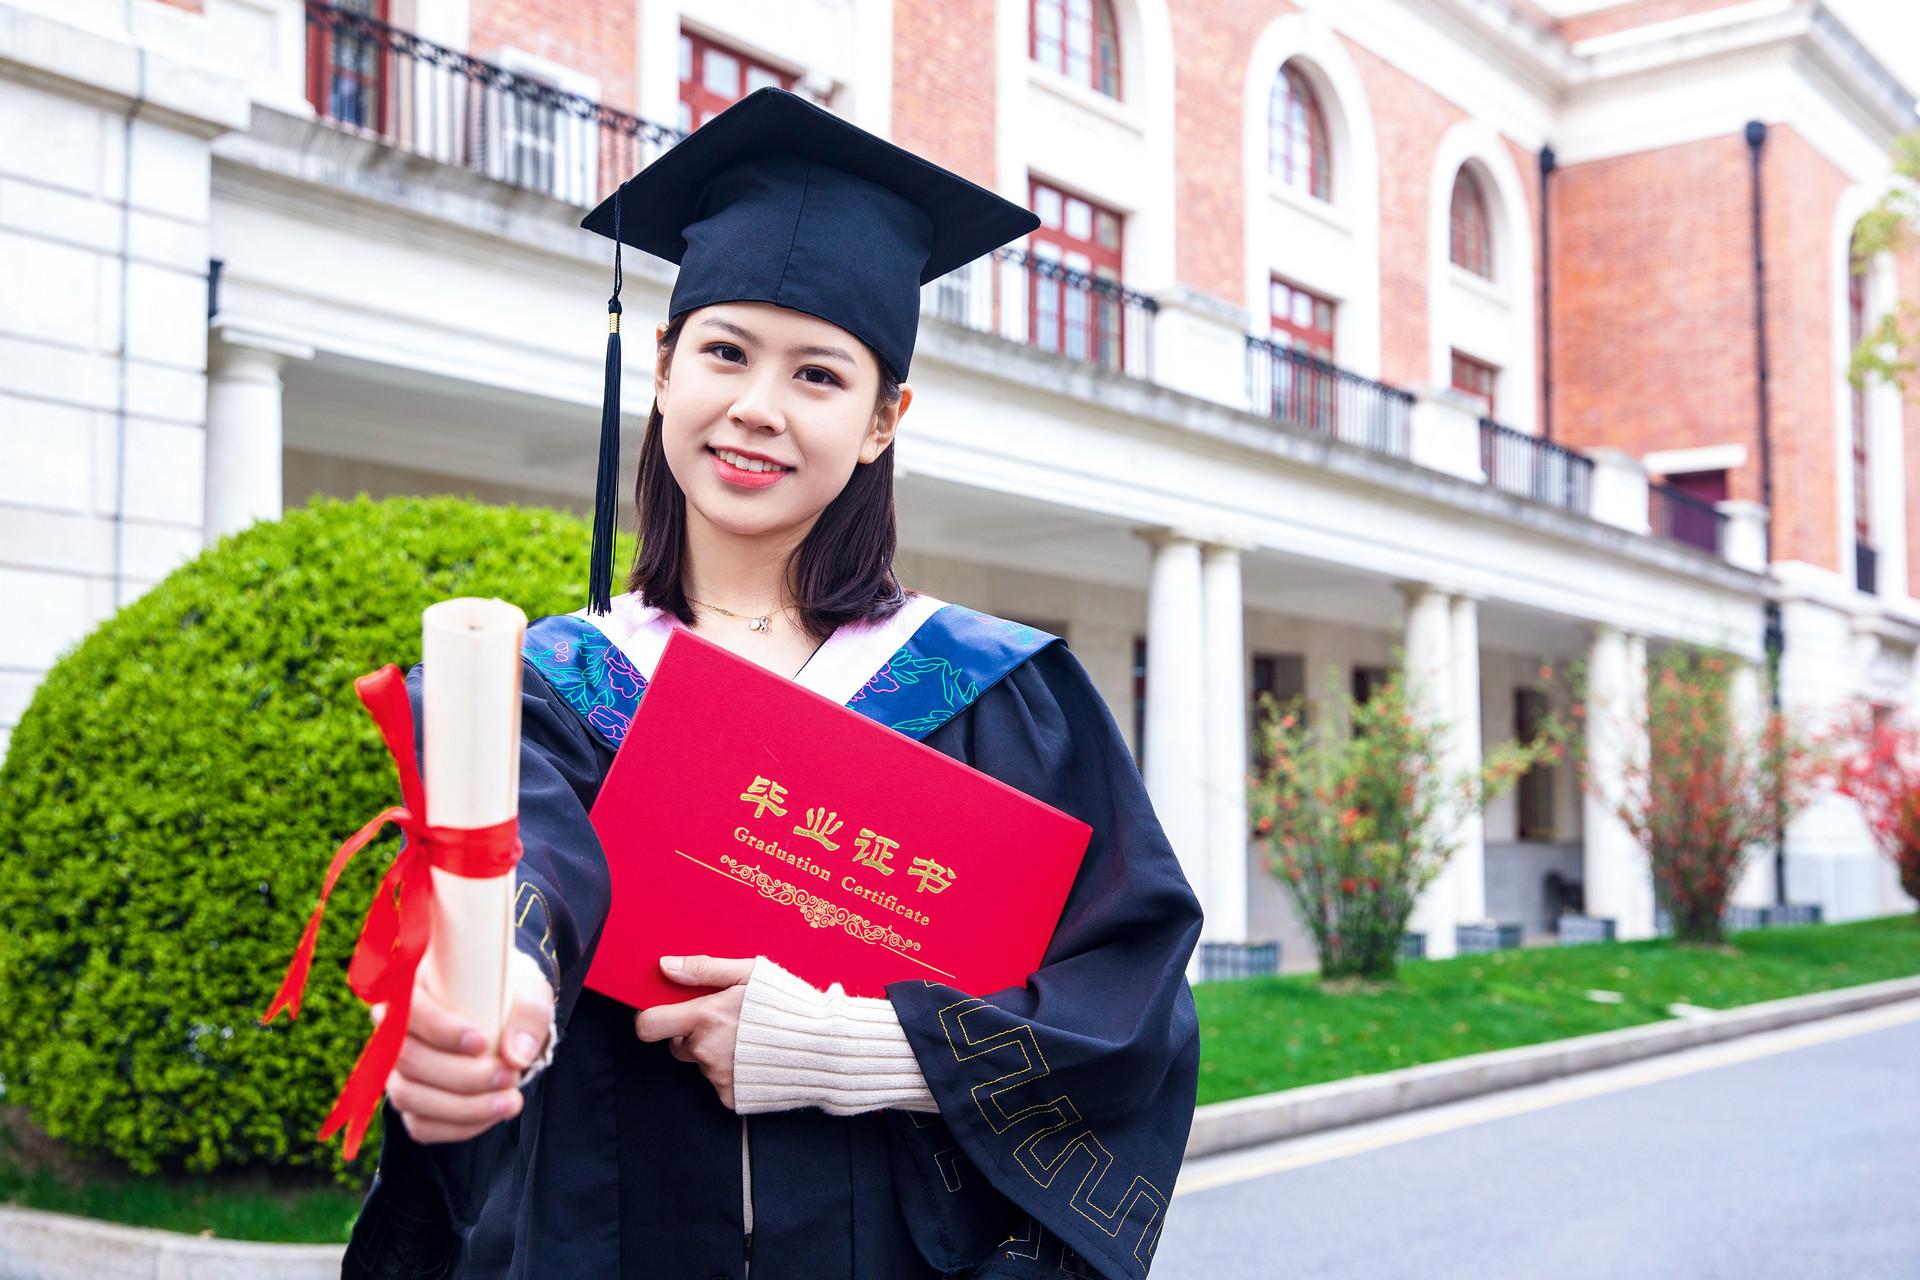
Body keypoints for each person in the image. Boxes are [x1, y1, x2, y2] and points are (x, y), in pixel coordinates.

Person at [343, 87, 1202, 1280]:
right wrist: (500, 1003)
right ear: (662, 365)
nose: (756, 407)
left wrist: (863, 1045)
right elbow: (530, 859)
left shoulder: (996, 692)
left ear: (883, 419)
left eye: (818, 374)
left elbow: (1133, 991)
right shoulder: (560, 681)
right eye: (726, 351)